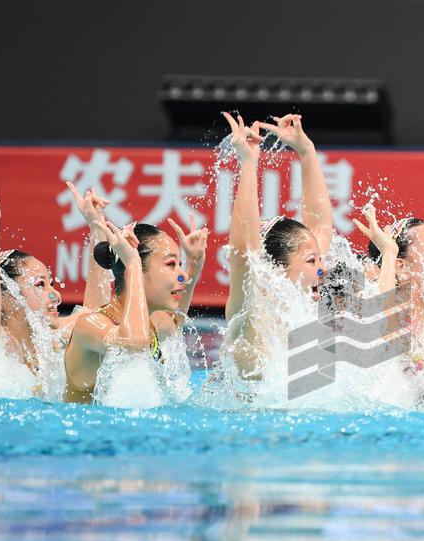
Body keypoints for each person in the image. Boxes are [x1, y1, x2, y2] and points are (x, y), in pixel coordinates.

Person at [0, 178, 110, 398]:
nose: (56, 294)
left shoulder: (49, 338)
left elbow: (96, 315)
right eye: (40, 285)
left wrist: (96, 227)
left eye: (50, 283)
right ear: (8, 296)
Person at [219, 112, 334, 381]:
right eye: (311, 261)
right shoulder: (251, 308)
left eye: (319, 259)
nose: (323, 268)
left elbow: (321, 227)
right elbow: (243, 253)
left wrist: (306, 152)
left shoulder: (299, 308)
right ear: (277, 268)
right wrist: (248, 163)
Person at [63, 214, 207, 403]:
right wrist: (132, 263)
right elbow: (133, 344)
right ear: (136, 268)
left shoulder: (153, 320)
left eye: (180, 265)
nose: (182, 276)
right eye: (171, 264)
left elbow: (175, 322)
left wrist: (194, 268)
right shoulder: (91, 325)